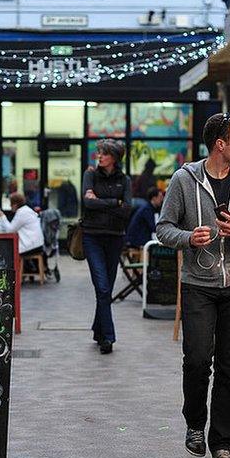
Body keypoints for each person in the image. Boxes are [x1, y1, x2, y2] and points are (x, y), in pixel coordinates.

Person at [155, 113, 230, 458]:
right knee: (195, 361)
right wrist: (188, 239)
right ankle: (195, 423)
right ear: (220, 144)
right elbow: (163, 228)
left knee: (229, 367)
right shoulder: (184, 180)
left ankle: (222, 443)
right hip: (198, 285)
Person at [81, 139, 132, 355]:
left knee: (106, 290)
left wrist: (101, 201)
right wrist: (114, 203)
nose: (99, 156)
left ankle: (97, 329)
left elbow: (128, 209)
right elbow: (87, 203)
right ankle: (108, 338)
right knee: (102, 287)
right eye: (99, 153)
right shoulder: (90, 175)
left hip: (115, 238)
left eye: (104, 153)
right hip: (92, 236)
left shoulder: (125, 180)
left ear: (115, 157)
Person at [0, 192, 45, 257]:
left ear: (15, 204)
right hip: (38, 244)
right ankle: (28, 266)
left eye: (11, 204)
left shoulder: (22, 213)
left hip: (31, 246)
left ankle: (14, 267)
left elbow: (10, 231)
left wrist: (2, 216)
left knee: (6, 250)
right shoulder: (27, 210)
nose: (10, 206)